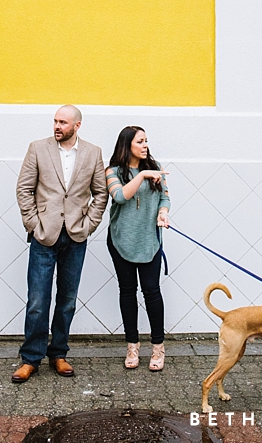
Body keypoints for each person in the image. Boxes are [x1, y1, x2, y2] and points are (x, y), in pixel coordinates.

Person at [12, 105, 108, 383]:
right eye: (55, 121)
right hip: (44, 236)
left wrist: (89, 224)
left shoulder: (93, 153)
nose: (57, 126)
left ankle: (58, 354)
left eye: (63, 122)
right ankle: (30, 358)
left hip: (76, 236)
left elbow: (100, 193)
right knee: (37, 301)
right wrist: (34, 224)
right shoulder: (37, 148)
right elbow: (24, 188)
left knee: (67, 300)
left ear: (77, 125)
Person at [106, 125, 170, 372]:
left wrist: (163, 213)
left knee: (152, 292)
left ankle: (158, 347)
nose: (145, 146)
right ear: (127, 145)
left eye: (146, 141)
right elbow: (120, 196)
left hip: (149, 240)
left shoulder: (156, 168)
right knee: (127, 291)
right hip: (121, 240)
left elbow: (165, 197)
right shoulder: (112, 171)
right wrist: (142, 176)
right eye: (140, 142)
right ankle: (132, 345)